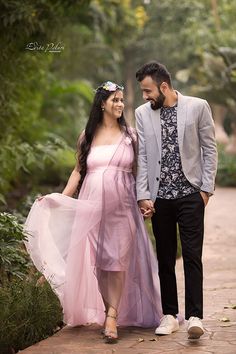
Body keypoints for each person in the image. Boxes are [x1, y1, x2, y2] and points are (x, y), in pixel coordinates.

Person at [24, 81, 163, 344]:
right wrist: (59, 199)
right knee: (100, 263)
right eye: (115, 100)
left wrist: (145, 199)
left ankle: (112, 315)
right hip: (92, 207)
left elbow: (140, 172)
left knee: (118, 260)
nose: (120, 104)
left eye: (122, 100)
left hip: (123, 206)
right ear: (102, 104)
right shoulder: (87, 136)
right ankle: (106, 306)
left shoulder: (131, 136)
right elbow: (78, 172)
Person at [135, 61, 217, 340]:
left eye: (147, 91)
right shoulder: (142, 114)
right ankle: (169, 315)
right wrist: (143, 194)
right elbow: (144, 157)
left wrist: (205, 190)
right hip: (160, 199)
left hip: (191, 194)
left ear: (164, 86)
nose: (145, 96)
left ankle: (195, 316)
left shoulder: (197, 106)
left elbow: (209, 148)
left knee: (193, 257)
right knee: (165, 258)